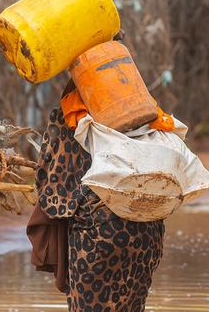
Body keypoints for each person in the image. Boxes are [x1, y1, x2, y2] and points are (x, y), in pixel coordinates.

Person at [31, 77, 168, 311]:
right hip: (149, 230)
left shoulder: (73, 113)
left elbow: (53, 190)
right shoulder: (141, 109)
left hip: (99, 233)